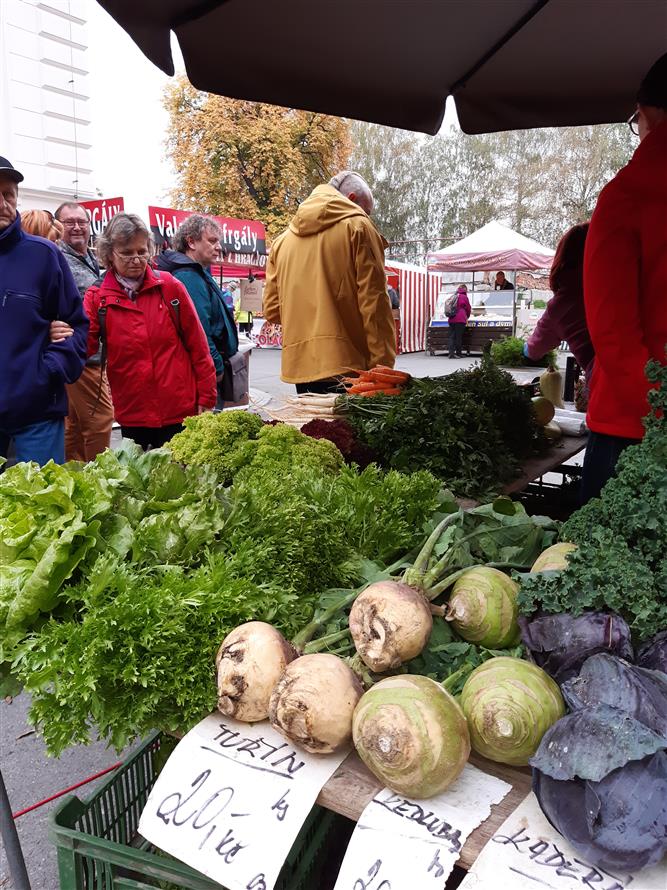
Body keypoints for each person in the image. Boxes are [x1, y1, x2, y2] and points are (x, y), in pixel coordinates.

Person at [581, 52, 667, 503]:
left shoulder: (628, 196)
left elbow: (612, 333)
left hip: (631, 431)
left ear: (649, 112)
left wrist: (659, 412)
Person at [83, 213, 217, 450]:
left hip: (179, 409)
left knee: (181, 479)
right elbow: (84, 348)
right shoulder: (97, 298)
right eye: (126, 253)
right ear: (109, 254)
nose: (136, 259)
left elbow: (198, 346)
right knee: (140, 482)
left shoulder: (170, 287)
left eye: (142, 251)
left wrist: (206, 397)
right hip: (133, 412)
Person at [263, 170, 396, 393]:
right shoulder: (359, 227)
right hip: (349, 365)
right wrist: (383, 367)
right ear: (352, 199)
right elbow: (374, 305)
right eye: (368, 211)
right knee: (345, 428)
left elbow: (273, 310)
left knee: (313, 428)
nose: (367, 216)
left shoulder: (281, 242)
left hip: (300, 367)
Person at [0, 157, 88, 466]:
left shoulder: (43, 255)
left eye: (8, 194)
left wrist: (49, 369)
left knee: (44, 508)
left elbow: (78, 326)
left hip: (36, 415)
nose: (2, 203)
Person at [53, 201, 114, 463]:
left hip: (94, 353)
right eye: (69, 222)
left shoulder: (92, 257)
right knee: (101, 418)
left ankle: (73, 476)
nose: (77, 227)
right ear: (59, 226)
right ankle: (101, 477)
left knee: (75, 424)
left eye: (82, 222)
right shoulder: (55, 257)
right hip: (80, 354)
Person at [156, 214, 239, 404]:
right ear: (191, 242)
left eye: (218, 241)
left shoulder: (196, 271)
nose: (218, 247)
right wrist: (215, 367)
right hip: (200, 375)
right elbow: (199, 330)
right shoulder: (188, 276)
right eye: (212, 241)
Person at [524, 223, 594, 377]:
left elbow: (534, 349)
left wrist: (525, 349)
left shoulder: (564, 303)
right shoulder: (619, 283)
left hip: (607, 384)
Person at [448, 284, 472, 358]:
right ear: (465, 289)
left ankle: (451, 353)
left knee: (452, 336)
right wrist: (467, 316)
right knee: (458, 337)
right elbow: (468, 308)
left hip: (451, 318)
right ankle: (458, 353)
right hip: (460, 318)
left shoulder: (453, 296)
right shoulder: (464, 297)